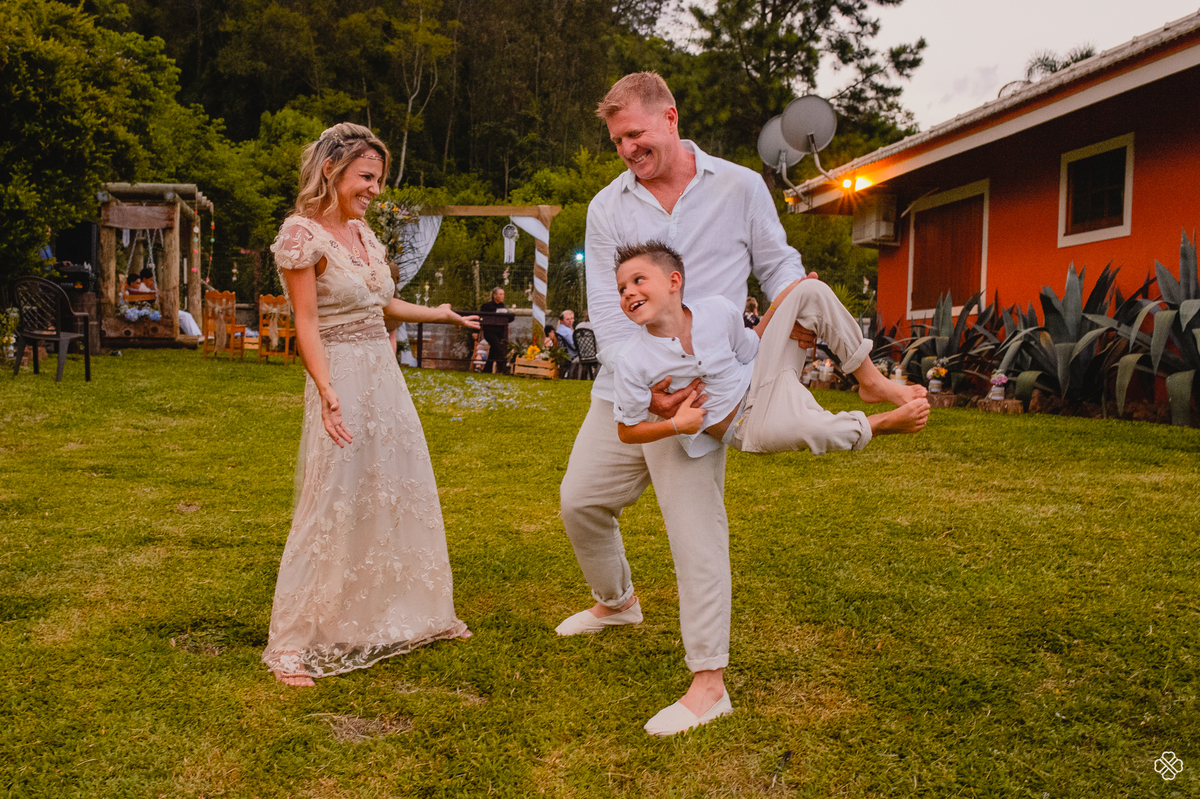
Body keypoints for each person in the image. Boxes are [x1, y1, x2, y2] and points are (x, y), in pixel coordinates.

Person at [556, 72, 927, 737]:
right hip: (633, 384)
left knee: (694, 528)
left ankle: (708, 683)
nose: (627, 151)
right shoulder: (607, 206)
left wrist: (780, 326)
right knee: (580, 501)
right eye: (617, 142)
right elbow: (609, 316)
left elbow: (779, 266)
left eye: (635, 136)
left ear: (670, 118)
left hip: (710, 385)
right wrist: (649, 389)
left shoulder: (739, 185)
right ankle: (617, 602)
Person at [262, 122, 479, 688]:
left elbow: (382, 305)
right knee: (332, 496)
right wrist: (327, 389)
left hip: (384, 379)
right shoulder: (300, 235)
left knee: (399, 486)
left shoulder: (363, 235)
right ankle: (291, 644)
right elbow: (305, 320)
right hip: (338, 375)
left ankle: (415, 612)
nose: (375, 190)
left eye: (379, 179)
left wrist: (440, 314)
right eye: (367, 177)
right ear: (331, 170)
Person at [611, 242, 928, 455]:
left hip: (762, 372)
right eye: (622, 288)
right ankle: (879, 424)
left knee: (811, 290)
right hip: (746, 425)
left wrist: (786, 302)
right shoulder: (632, 359)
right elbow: (627, 430)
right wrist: (676, 426)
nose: (628, 293)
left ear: (674, 281)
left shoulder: (717, 311)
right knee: (809, 427)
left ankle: (871, 380)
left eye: (638, 280)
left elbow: (752, 345)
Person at [479, 287, 514, 374]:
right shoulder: (487, 306)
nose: (503, 296)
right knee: (498, 348)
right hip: (490, 332)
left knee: (494, 351)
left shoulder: (503, 306)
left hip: (500, 332)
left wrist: (511, 315)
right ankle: (503, 369)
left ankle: (487, 370)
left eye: (503, 294)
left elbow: (506, 319)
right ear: (495, 296)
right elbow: (482, 318)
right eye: (500, 294)